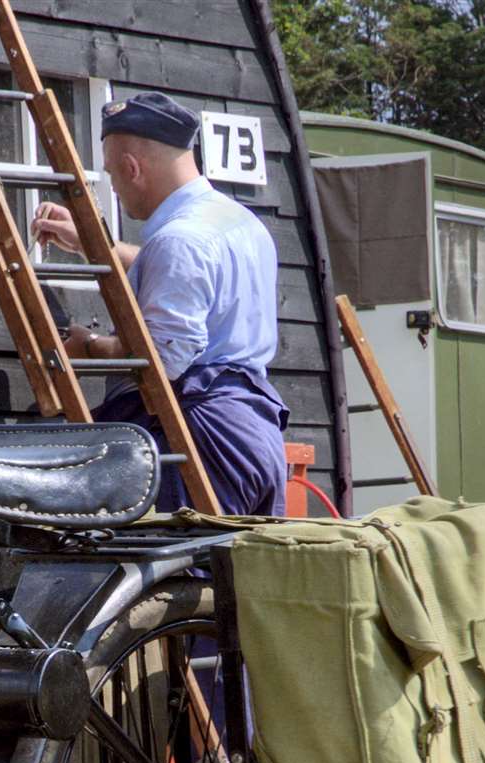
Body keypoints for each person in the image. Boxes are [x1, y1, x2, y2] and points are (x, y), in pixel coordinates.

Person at [31, 91, 290, 516]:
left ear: (133, 167)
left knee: (182, 576)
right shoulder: (240, 222)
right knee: (245, 577)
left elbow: (164, 357)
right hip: (255, 432)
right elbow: (183, 277)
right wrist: (97, 248)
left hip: (203, 442)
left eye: (113, 174)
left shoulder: (178, 240)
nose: (114, 185)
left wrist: (92, 346)